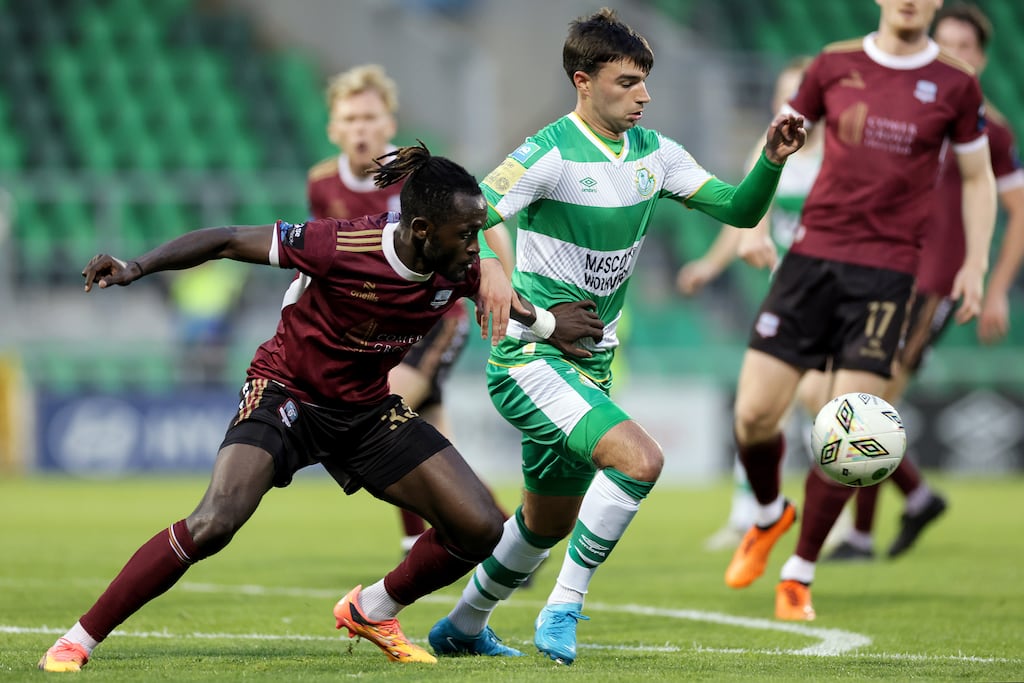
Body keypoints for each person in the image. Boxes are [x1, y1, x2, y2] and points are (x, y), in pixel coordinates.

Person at [37, 143, 605, 672]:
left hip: (365, 412)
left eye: (479, 232)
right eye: (466, 233)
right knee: (214, 522)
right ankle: (78, 640)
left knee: (481, 528)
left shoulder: (459, 267)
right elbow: (229, 239)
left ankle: (374, 609)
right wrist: (137, 267)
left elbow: (512, 302)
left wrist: (555, 327)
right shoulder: (340, 244)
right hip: (286, 392)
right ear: (423, 229)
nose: (475, 246)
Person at [428, 8, 805, 665]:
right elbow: (469, 211)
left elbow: (741, 209)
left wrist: (770, 160)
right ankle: (565, 605)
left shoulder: (656, 155)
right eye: (628, 82)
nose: (644, 95)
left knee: (545, 523)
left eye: (645, 81)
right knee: (641, 460)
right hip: (529, 358)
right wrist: (490, 259)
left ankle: (462, 624)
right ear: (584, 81)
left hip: (592, 364)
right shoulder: (546, 153)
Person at [725, 0, 996, 622]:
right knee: (753, 416)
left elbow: (978, 180)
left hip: (886, 273)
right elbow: (778, 146)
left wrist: (975, 265)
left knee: (851, 431)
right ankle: (769, 516)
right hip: (810, 260)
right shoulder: (833, 65)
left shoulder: (957, 84)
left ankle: (799, 572)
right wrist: (754, 222)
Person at [828, 1, 1024, 562]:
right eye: (947, 44)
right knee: (865, 399)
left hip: (931, 282)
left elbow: (1017, 209)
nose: (954, 56)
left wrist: (993, 285)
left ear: (983, 60)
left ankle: (874, 526)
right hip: (883, 267)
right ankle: (910, 501)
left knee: (866, 401)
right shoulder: (912, 111)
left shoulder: (994, 132)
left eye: (966, 47)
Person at [307, 63, 514, 555]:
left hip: (436, 319)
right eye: (350, 119)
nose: (361, 128)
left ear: (389, 123)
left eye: (369, 117)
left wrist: (502, 279)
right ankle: (507, 541)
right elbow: (329, 256)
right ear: (334, 128)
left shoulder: (415, 175)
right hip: (381, 331)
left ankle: (414, 542)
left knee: (381, 412)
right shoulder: (321, 184)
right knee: (433, 443)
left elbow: (487, 224)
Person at [675, 57, 839, 552]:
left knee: (824, 407)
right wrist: (711, 263)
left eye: (804, 94)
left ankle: (835, 521)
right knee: (758, 411)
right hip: (785, 298)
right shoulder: (766, 151)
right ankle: (748, 514)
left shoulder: (839, 158)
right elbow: (747, 217)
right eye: (788, 95)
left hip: (835, 300)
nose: (797, 106)